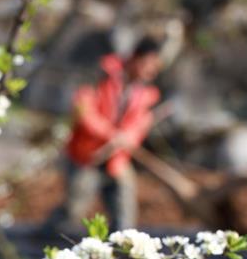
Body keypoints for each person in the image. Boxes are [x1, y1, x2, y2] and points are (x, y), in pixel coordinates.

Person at [49, 37, 162, 231]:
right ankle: (46, 241)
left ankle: (121, 251)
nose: (150, 71)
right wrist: (111, 135)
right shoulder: (99, 74)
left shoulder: (145, 91)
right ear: (135, 59)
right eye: (147, 64)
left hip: (117, 159)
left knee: (124, 216)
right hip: (87, 155)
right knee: (73, 210)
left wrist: (128, 138)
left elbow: (141, 122)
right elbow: (84, 111)